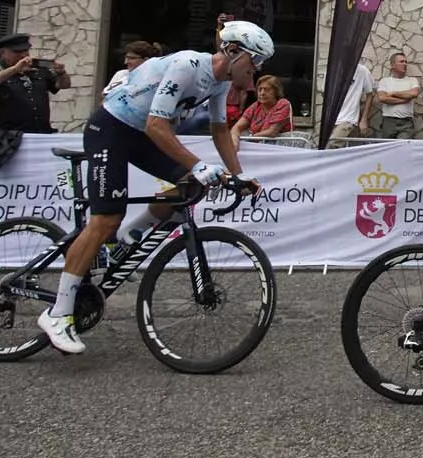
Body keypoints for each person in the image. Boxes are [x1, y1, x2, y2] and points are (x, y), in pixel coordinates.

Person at [36, 21, 274, 354]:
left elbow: (220, 131)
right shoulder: (187, 66)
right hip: (112, 129)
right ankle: (58, 313)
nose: (258, 70)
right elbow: (156, 124)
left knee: (192, 186)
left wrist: (237, 175)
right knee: (105, 219)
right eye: (255, 61)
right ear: (232, 52)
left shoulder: (219, 84)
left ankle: (126, 239)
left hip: (142, 135)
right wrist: (198, 164)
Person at [0, 33, 72, 133]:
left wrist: (62, 74)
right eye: (17, 52)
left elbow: (64, 85)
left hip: (41, 133)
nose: (23, 55)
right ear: (3, 52)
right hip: (10, 136)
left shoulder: (39, 69)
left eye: (25, 50)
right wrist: (14, 69)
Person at [230, 75, 293, 147]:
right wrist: (234, 137)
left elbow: (272, 132)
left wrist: (250, 138)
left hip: (279, 147)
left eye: (267, 90)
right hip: (258, 146)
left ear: (276, 91)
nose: (262, 93)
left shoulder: (283, 104)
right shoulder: (256, 106)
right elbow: (237, 127)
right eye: (260, 89)